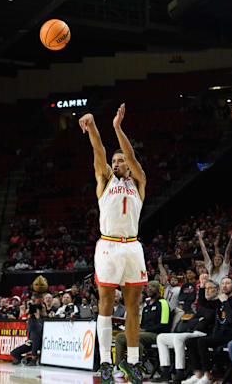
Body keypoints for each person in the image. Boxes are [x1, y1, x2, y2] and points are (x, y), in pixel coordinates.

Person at [78, 103, 148, 384]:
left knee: (134, 306)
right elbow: (99, 152)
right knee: (106, 303)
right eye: (115, 161)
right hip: (108, 246)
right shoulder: (105, 179)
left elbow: (130, 155)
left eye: (121, 161)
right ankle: (106, 362)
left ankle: (132, 362)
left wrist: (118, 128)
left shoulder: (139, 181)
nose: (118, 163)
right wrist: (93, 125)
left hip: (132, 246)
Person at [182, 277, 232, 384]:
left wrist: (225, 302)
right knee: (190, 341)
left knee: (202, 341)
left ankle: (208, 376)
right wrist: (202, 286)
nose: (225, 286)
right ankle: (198, 374)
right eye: (223, 283)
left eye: (228, 283)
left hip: (231, 335)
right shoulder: (219, 301)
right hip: (218, 334)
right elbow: (203, 303)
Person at [154, 279, 220, 384]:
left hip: (204, 333)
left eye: (210, 288)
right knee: (161, 337)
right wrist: (197, 320)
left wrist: (197, 320)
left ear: (217, 290)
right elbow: (194, 319)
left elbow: (207, 320)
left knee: (178, 338)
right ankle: (165, 371)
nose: (207, 291)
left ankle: (179, 373)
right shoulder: (204, 305)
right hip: (193, 331)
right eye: (205, 288)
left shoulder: (218, 303)